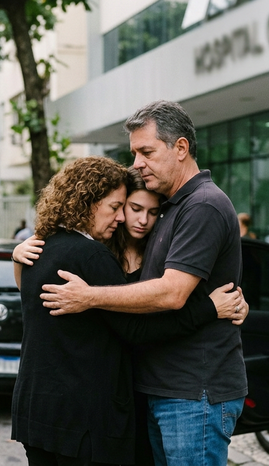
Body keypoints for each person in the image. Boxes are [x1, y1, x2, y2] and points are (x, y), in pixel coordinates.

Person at [39, 100, 246, 466]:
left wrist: (89, 297)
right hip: (162, 390)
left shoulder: (203, 205)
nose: (136, 163)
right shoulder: (171, 207)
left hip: (192, 394)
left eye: (146, 152)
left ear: (180, 148)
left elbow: (172, 293)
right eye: (134, 153)